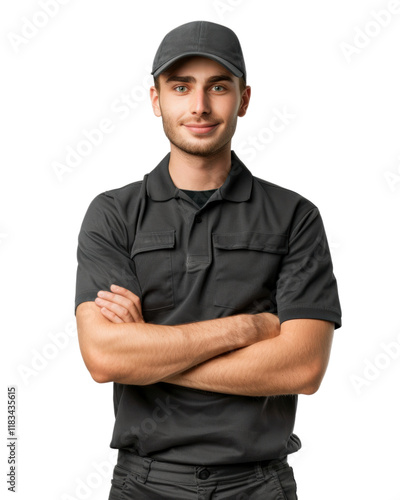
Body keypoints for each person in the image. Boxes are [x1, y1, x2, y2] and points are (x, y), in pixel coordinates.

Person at [75, 20, 342, 500]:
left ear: (243, 99)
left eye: (218, 87)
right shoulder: (113, 213)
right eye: (181, 87)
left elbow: (302, 368)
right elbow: (103, 356)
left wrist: (147, 356)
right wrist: (249, 330)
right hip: (144, 484)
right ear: (156, 100)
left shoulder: (294, 217)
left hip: (259, 484)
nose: (199, 106)